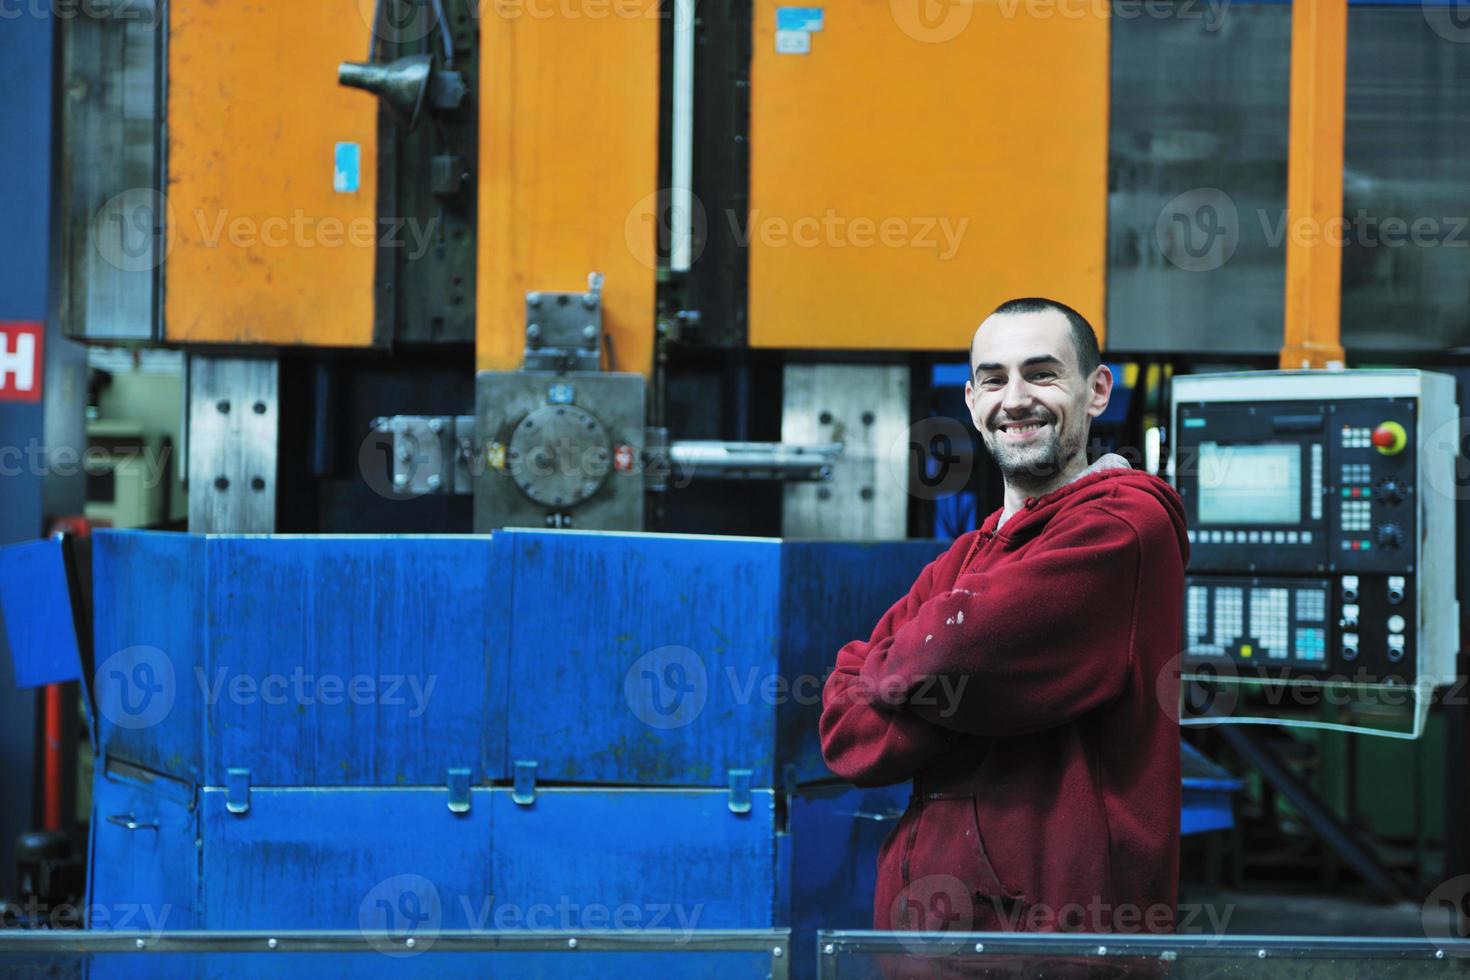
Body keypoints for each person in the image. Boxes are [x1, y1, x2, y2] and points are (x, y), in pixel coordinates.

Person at [819, 297, 1188, 940]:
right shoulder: (968, 554)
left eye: (1042, 374)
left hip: (1051, 945)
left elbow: (945, 660)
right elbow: (845, 735)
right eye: (994, 379)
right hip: (930, 938)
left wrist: (898, 672)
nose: (1014, 399)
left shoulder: (1123, 527)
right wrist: (935, 681)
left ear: (1097, 390)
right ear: (971, 400)